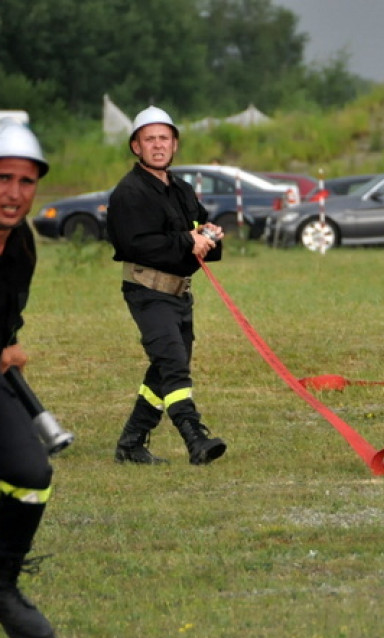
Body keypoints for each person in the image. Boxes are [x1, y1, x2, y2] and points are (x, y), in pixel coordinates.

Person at [107, 106, 227, 465]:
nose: (157, 145)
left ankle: (130, 444)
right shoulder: (129, 193)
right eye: (149, 139)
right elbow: (135, 244)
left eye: (164, 138)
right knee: (174, 366)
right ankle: (195, 439)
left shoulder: (181, 189)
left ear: (174, 144)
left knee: (163, 369)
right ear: (136, 146)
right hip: (147, 293)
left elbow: (199, 227)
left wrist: (210, 236)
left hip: (179, 293)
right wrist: (188, 241)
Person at [0, 121, 57, 638]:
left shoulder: (21, 245)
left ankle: (5, 585)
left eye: (25, 181)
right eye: (2, 178)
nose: (13, 193)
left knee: (31, 472)